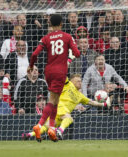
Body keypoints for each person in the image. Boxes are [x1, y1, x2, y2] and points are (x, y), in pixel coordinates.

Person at [29, 14, 81, 142]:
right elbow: (77, 54)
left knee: (56, 100)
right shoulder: (67, 37)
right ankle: (39, 125)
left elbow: (35, 53)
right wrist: (69, 56)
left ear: (50, 24)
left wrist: (30, 66)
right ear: (62, 24)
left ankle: (51, 128)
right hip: (60, 72)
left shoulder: (46, 38)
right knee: (52, 100)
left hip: (49, 71)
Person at [22, 74, 111, 141]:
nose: (80, 82)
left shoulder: (80, 96)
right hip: (59, 107)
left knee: (46, 126)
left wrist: (104, 104)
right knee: (69, 118)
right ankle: (60, 131)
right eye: (77, 81)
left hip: (59, 113)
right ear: (72, 81)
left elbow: (92, 102)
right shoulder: (68, 84)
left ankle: (28, 135)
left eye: (80, 81)